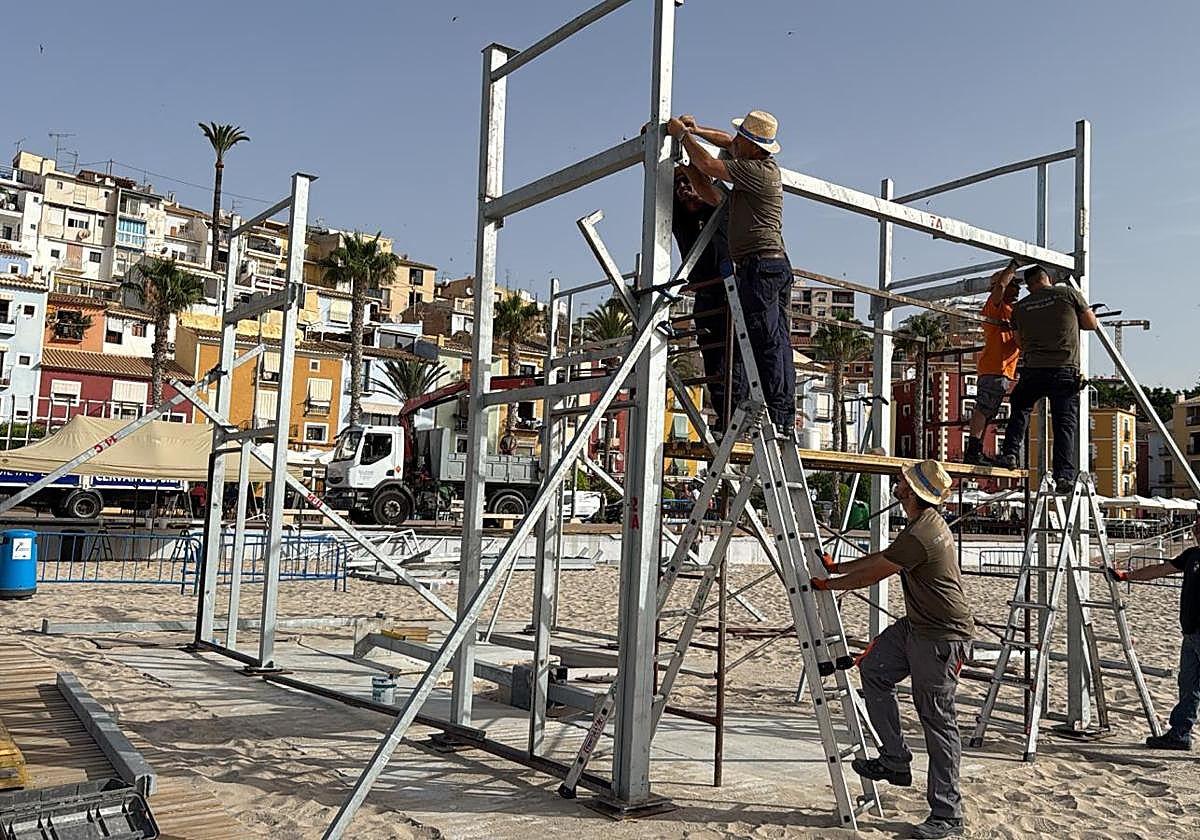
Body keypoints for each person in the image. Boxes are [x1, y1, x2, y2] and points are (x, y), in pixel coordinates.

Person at [812, 459, 974, 839]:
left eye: (904, 481)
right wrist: (838, 569)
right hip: (918, 626)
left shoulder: (924, 533)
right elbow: (886, 557)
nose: (898, 483)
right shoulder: (918, 526)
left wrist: (831, 586)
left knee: (937, 721)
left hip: (941, 636)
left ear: (914, 492)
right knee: (874, 671)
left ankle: (948, 816)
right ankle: (895, 760)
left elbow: (876, 573)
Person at [666, 110, 796, 432]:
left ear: (752, 147)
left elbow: (711, 165)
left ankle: (779, 417)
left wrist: (683, 136)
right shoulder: (754, 170)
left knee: (766, 344)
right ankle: (780, 414)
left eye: (742, 139)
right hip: (768, 265)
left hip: (761, 267)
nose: (734, 142)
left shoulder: (755, 171)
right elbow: (710, 178)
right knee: (774, 341)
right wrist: (695, 134)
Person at [984, 265, 1100, 493]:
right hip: (1064, 369)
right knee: (1063, 424)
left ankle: (1010, 454)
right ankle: (1063, 476)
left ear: (1029, 285)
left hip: (1033, 369)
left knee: (1020, 409)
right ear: (1047, 279)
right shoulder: (1067, 293)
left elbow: (1018, 341)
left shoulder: (1020, 308)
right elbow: (1091, 324)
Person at [1108, 519, 1200, 751]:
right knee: (1188, 686)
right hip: (1191, 633)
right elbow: (1161, 569)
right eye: (1195, 526)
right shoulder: (1191, 555)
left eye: (1199, 526)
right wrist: (1128, 576)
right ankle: (1180, 734)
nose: (1195, 530)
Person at [671, 163, 733, 431]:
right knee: (714, 362)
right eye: (678, 185)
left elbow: (716, 178)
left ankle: (738, 416)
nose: (683, 190)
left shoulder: (719, 204)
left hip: (732, 290)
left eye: (688, 182)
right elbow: (656, 181)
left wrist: (686, 141)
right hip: (706, 294)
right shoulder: (680, 217)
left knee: (736, 357)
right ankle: (726, 418)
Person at [963, 260, 1021, 465]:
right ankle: (972, 451)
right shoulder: (995, 306)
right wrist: (1013, 266)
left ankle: (975, 450)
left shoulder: (1012, 311)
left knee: (989, 410)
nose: (1018, 289)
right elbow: (1000, 287)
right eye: (1015, 285)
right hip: (995, 368)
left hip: (1002, 370)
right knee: (984, 408)